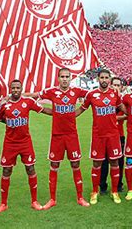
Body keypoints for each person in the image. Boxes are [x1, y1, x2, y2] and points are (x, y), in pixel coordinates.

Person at [25, 68, 90, 208]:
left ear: (70, 78)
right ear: (58, 78)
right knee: (54, 165)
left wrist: (81, 110)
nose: (65, 79)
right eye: (62, 76)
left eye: (67, 76)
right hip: (57, 136)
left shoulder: (76, 91)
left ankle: (80, 197)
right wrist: (15, 94)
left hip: (72, 135)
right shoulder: (52, 91)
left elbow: (93, 95)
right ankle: (52, 199)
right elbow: (35, 96)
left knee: (75, 164)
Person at [0, 79, 52, 214]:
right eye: (13, 88)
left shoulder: (28, 102)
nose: (15, 90)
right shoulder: (4, 105)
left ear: (21, 88)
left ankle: (34, 201)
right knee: (6, 171)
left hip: (25, 142)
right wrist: (8, 121)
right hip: (9, 143)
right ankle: (3, 203)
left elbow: (44, 110)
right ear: (10, 89)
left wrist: (60, 113)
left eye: (17, 88)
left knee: (30, 169)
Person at [76, 69, 128, 204]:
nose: (104, 80)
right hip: (98, 135)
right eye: (102, 77)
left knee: (115, 162)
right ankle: (95, 191)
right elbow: (81, 109)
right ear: (98, 79)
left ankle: (115, 191)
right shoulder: (91, 94)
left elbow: (123, 108)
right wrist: (68, 116)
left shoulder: (114, 94)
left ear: (109, 79)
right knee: (97, 163)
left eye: (106, 78)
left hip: (113, 135)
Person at [100, 77, 126, 194]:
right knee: (104, 162)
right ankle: (102, 186)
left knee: (119, 162)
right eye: (114, 85)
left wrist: (111, 118)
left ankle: (118, 185)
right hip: (104, 134)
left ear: (122, 87)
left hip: (119, 134)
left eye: (118, 85)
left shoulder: (123, 101)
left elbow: (129, 114)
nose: (115, 87)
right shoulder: (107, 98)